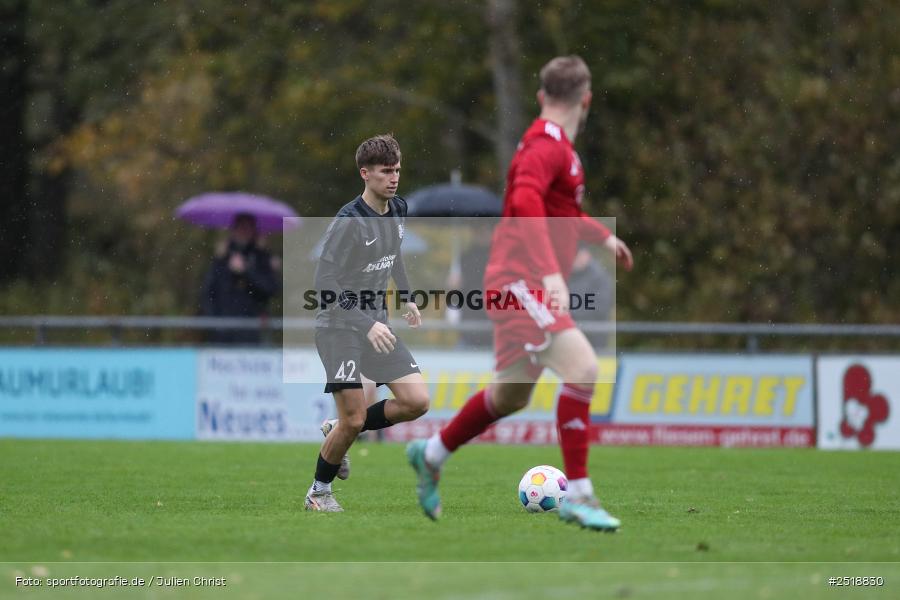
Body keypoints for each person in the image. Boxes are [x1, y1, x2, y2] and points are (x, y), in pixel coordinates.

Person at [407, 56, 634, 530]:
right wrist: (550, 273)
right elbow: (527, 204)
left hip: (520, 279)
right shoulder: (543, 147)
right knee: (584, 368)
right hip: (518, 280)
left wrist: (601, 237)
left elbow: (556, 212)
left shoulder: (559, 150)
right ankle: (582, 496)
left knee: (510, 396)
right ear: (587, 99)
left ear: (541, 96)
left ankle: (430, 454)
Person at [305, 134, 430, 512]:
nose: (393, 178)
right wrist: (366, 324)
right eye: (385, 172)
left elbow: (394, 256)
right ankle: (318, 493)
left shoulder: (398, 208)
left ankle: (337, 428)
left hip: (377, 327)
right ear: (365, 174)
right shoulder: (348, 223)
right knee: (355, 418)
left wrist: (406, 296)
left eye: (397, 170)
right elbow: (323, 285)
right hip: (339, 329)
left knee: (416, 401)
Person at [201, 213, 279, 344]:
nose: (244, 232)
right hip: (222, 331)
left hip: (252, 330)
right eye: (240, 227)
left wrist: (246, 272)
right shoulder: (221, 258)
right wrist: (215, 321)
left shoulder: (261, 257)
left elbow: (270, 290)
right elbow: (208, 293)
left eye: (248, 228)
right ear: (233, 230)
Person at [568, 245, 614, 349]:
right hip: (571, 335)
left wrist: (572, 313)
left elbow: (602, 307)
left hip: (594, 337)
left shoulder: (600, 276)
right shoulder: (566, 275)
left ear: (587, 255)